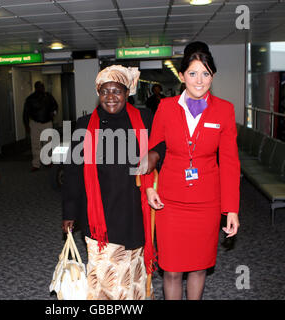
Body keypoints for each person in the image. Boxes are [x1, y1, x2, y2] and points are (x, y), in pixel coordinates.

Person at [142, 41, 241, 300]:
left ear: (213, 76)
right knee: (172, 270)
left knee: (199, 267)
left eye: (206, 73)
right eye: (193, 73)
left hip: (207, 203)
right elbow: (151, 151)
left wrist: (231, 209)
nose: (199, 80)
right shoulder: (165, 107)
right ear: (182, 75)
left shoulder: (225, 110)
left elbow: (230, 161)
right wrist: (149, 185)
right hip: (170, 202)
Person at [62, 65, 163, 300]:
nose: (110, 96)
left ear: (127, 93)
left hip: (135, 212)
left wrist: (155, 154)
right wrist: (69, 211)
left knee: (132, 275)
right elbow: (74, 171)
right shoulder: (84, 124)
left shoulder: (145, 118)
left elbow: (163, 142)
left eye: (116, 90)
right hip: (100, 216)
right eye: (104, 91)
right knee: (106, 281)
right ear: (98, 93)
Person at [23, 81, 58, 172]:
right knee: (35, 144)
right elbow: (25, 113)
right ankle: (36, 164)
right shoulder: (30, 99)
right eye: (40, 87)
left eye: (42, 86)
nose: (42, 88)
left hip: (47, 123)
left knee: (48, 143)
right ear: (36, 88)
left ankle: (48, 160)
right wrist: (27, 126)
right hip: (35, 124)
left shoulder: (48, 96)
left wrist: (53, 114)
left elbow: (55, 106)